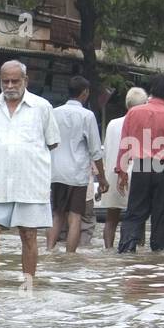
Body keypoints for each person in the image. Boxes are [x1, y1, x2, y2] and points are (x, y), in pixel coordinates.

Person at [0, 60, 60, 277]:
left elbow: (53, 142)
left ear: (25, 80)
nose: (10, 86)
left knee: (28, 233)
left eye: (15, 81)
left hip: (30, 182)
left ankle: (28, 285)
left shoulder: (42, 107)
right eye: (5, 81)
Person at [116, 74, 164, 253]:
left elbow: (125, 144)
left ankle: (126, 250)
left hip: (141, 166)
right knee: (162, 216)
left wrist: (122, 172)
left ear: (151, 91)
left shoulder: (133, 112)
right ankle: (159, 255)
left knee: (134, 213)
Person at [47, 75, 105, 254]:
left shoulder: (54, 113)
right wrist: (102, 178)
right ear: (85, 92)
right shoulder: (87, 116)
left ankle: (49, 251)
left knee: (56, 216)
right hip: (77, 174)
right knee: (75, 218)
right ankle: (70, 257)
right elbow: (96, 150)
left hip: (55, 173)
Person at [99, 86, 147, 249]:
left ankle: (108, 250)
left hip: (113, 174)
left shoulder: (113, 123)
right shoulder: (144, 125)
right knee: (137, 219)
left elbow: (106, 149)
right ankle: (136, 252)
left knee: (111, 219)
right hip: (135, 176)